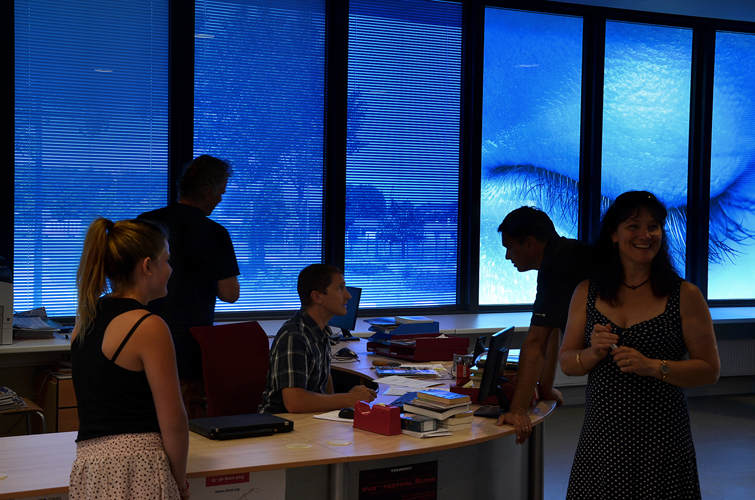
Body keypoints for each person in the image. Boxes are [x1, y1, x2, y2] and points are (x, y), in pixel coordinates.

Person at [559, 191, 720, 499]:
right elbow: (567, 361)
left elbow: (709, 370)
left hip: (662, 439)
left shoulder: (684, 294)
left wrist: (653, 366)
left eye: (654, 226)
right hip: (602, 437)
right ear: (613, 234)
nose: (646, 235)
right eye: (634, 225)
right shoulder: (587, 292)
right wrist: (592, 353)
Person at [69, 218, 190, 499]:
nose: (171, 269)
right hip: (137, 468)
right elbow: (174, 421)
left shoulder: (85, 320)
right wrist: (181, 484)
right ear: (148, 266)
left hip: (90, 469)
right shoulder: (148, 326)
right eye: (167, 260)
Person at [139, 154, 240, 418]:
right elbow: (230, 294)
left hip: (140, 339)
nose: (220, 199)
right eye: (220, 193)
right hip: (189, 350)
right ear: (207, 192)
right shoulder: (215, 233)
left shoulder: (145, 224)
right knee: (187, 427)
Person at [494, 206, 591, 444]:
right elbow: (552, 327)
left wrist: (517, 411)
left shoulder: (557, 265)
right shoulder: (564, 253)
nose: (507, 256)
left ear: (530, 243)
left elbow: (536, 344)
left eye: (509, 247)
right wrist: (545, 389)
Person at [258, 264, 377, 414]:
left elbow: (324, 383)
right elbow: (295, 402)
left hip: (310, 421)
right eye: (340, 288)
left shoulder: (320, 332)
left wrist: (338, 409)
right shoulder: (294, 336)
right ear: (317, 297)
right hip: (282, 423)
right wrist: (348, 398)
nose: (348, 295)